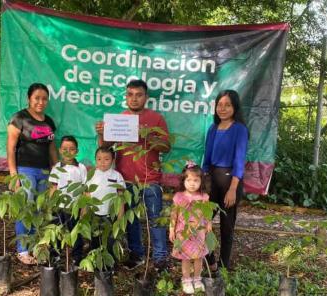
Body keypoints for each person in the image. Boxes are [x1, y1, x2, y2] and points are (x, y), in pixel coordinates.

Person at [95, 79, 171, 270]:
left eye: (139, 95)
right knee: (131, 221)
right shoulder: (119, 118)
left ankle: (160, 258)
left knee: (156, 220)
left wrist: (146, 134)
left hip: (150, 180)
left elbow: (166, 146)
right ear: (126, 97)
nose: (134, 98)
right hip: (125, 180)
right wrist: (101, 134)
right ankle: (136, 254)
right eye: (130, 94)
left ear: (146, 97)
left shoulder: (156, 119)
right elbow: (105, 147)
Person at [7, 82, 58, 265]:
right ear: (29, 98)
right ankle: (22, 250)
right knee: (25, 208)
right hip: (25, 170)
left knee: (40, 209)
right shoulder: (19, 118)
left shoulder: (49, 121)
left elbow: (52, 148)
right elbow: (11, 148)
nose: (41, 102)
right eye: (37, 98)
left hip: (44, 171)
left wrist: (56, 171)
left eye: (44, 98)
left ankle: (37, 248)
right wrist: (14, 175)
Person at [202, 90, 248, 271]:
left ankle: (223, 267)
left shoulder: (240, 129)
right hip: (212, 179)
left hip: (231, 181)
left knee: (226, 226)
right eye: (219, 105)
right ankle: (211, 261)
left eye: (227, 105)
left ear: (235, 107)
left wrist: (233, 189)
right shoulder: (213, 128)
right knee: (202, 222)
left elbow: (239, 160)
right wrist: (204, 182)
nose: (223, 108)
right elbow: (206, 158)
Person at [169, 162, 211, 294]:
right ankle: (186, 279)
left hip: (199, 231)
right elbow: (173, 215)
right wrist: (171, 229)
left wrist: (209, 223)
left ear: (201, 182)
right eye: (189, 180)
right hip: (183, 232)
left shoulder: (204, 197)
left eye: (196, 180)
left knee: (199, 257)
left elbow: (207, 212)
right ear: (184, 180)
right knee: (185, 258)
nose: (192, 183)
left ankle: (197, 278)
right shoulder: (178, 197)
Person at [48, 135, 88, 266]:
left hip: (74, 207)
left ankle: (77, 257)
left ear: (76, 151)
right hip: (59, 207)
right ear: (60, 150)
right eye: (65, 149)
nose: (68, 152)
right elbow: (53, 187)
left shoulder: (81, 168)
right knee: (57, 231)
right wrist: (50, 205)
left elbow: (85, 190)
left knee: (76, 233)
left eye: (71, 149)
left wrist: (84, 207)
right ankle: (55, 255)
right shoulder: (57, 168)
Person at [86, 146, 125, 269]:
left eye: (106, 159)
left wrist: (120, 217)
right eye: (99, 159)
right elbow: (86, 196)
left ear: (113, 160)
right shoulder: (91, 175)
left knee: (110, 241)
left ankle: (109, 265)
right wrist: (84, 213)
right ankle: (95, 263)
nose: (102, 162)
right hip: (94, 215)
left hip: (110, 216)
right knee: (95, 240)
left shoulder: (117, 176)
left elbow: (121, 198)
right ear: (95, 160)